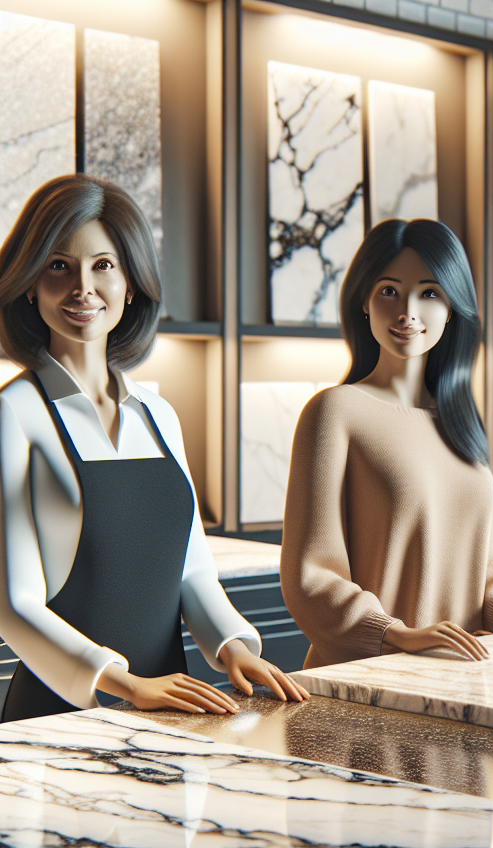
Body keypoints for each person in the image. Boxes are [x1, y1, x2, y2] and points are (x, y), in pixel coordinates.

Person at [0, 174, 308, 722]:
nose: (82, 288)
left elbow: (190, 572)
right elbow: (13, 606)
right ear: (28, 283)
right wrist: (126, 685)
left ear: (132, 283)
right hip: (62, 715)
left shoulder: (159, 415)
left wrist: (234, 645)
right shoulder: (13, 413)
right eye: (58, 266)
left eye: (104, 265)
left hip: (174, 704)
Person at [281, 218, 493, 667]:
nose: (408, 311)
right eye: (389, 290)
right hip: (366, 681)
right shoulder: (335, 411)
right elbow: (309, 577)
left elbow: (488, 565)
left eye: (429, 293)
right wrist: (395, 635)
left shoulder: (460, 423)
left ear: (452, 309)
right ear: (364, 301)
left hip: (462, 677)